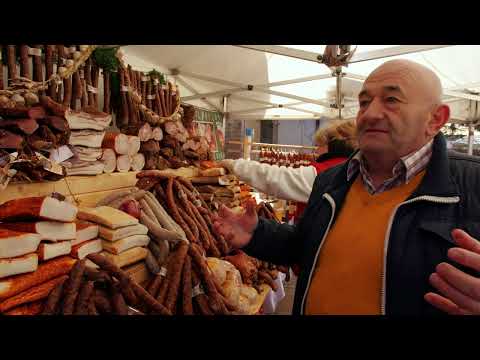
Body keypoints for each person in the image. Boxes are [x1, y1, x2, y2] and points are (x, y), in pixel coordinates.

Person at [212, 59, 480, 315]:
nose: (370, 113)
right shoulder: (333, 180)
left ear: (435, 119)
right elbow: (306, 247)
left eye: (392, 100)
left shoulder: (473, 184)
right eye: (364, 102)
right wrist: (257, 234)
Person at [220, 119, 357, 204]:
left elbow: (276, 178)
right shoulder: (348, 168)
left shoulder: (328, 173)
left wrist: (235, 165)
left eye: (320, 145)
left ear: (333, 145)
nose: (316, 151)